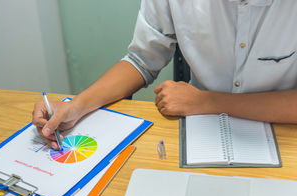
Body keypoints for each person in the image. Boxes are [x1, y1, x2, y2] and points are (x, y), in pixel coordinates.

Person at [33, 0, 297, 150]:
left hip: (286, 136)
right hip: (199, 134)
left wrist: (207, 102)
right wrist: (76, 106)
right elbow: (141, 60)